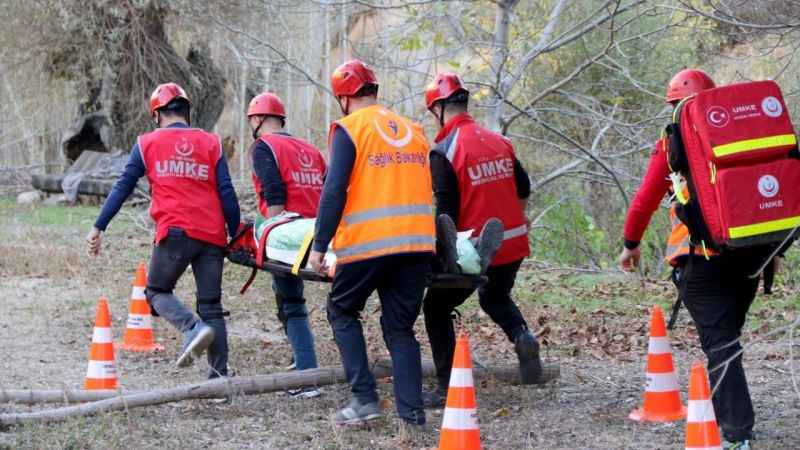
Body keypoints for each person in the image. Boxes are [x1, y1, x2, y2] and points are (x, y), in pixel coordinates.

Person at [618, 69, 781, 449]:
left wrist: (631, 243)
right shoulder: (740, 132)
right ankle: (728, 410)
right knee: (727, 338)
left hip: (700, 258)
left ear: (674, 105)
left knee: (721, 342)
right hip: (751, 254)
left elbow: (645, 198)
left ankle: (737, 433)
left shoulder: (673, 139)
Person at [308, 59, 435, 426]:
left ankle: (364, 400)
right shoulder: (414, 130)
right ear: (374, 91)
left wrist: (320, 245)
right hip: (416, 245)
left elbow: (334, 190)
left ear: (344, 98)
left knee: (342, 311)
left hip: (368, 244)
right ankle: (411, 416)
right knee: (400, 328)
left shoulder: (350, 129)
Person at [86, 82, 240, 379]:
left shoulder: (147, 143)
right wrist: (235, 233)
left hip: (175, 233)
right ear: (186, 112)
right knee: (211, 305)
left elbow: (123, 187)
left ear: (157, 115)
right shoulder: (212, 143)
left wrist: (99, 226)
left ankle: (192, 328)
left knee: (156, 291)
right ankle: (219, 381)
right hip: (212, 236)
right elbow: (227, 192)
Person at [420, 73, 544, 408]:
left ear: (438, 109)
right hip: (514, 241)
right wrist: (521, 216)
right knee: (495, 296)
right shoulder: (498, 140)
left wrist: (436, 257)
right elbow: (523, 187)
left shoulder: (444, 150)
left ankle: (448, 388)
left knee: (435, 307)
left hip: (476, 250)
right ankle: (523, 336)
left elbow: (446, 214)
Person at [246, 91, 326, 397]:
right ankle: (301, 362)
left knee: (291, 301)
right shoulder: (310, 149)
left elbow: (274, 191)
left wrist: (271, 233)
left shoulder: (263, 147)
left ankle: (306, 376)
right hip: (319, 234)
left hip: (290, 236)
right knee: (289, 299)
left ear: (258, 119)